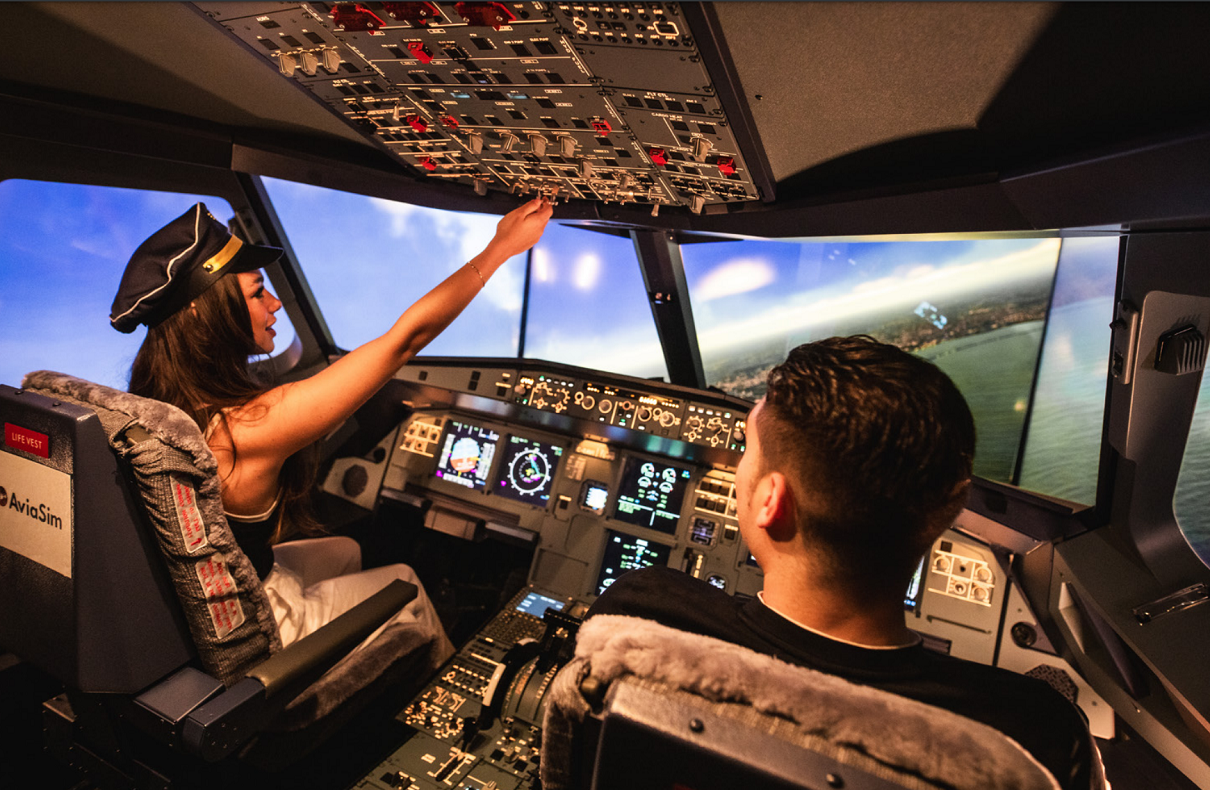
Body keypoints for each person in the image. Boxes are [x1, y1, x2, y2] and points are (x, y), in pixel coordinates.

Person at [588, 335, 1100, 789]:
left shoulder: (640, 613)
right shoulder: (1039, 735)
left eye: (747, 449)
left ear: (771, 500)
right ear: (949, 507)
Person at [110, 198, 552, 664]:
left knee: (345, 549)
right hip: (262, 624)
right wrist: (501, 248)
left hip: (234, 580)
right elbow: (405, 341)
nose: (276, 303)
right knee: (406, 582)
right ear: (204, 312)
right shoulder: (249, 428)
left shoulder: (156, 408)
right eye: (258, 292)